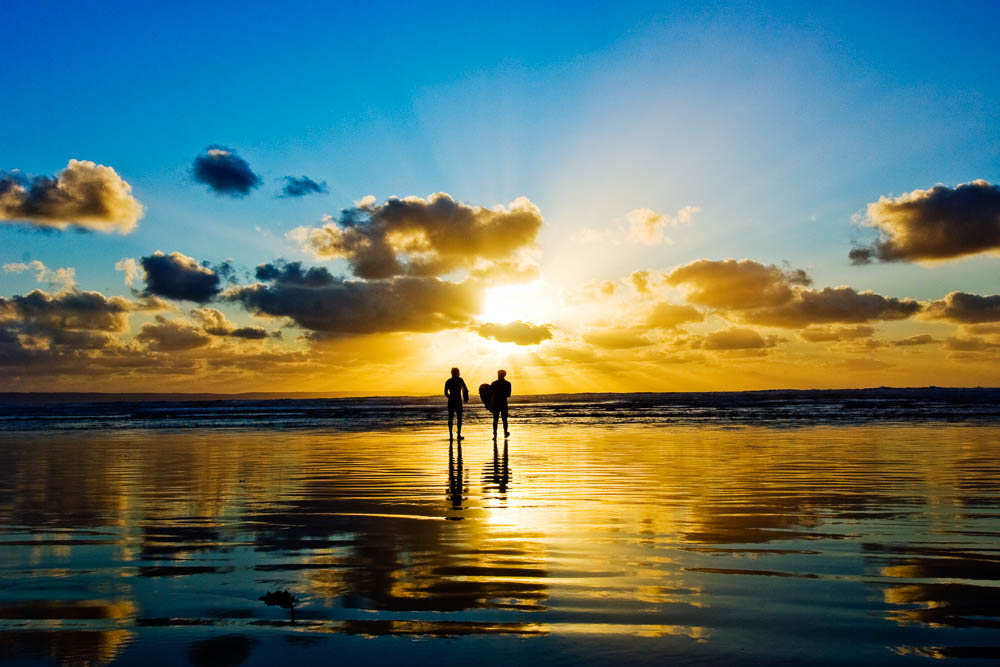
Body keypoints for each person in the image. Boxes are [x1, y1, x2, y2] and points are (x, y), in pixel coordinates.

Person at [444, 367, 469, 441]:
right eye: (457, 372)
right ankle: (455, 435)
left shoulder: (449, 381)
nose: (458, 374)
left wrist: (450, 397)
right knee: (457, 418)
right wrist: (465, 397)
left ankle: (453, 435)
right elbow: (465, 389)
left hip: (453, 400)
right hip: (457, 400)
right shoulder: (459, 380)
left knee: (453, 418)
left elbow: (446, 393)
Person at [490, 369, 511, 439]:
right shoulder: (508, 384)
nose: (499, 375)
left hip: (496, 403)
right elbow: (508, 395)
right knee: (504, 419)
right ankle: (504, 433)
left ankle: (495, 434)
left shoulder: (494, 383)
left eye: (499, 374)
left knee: (496, 419)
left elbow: (490, 394)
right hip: (503, 403)